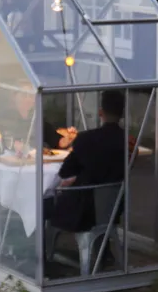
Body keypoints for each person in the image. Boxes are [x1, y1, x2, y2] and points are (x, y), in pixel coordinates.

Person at [46, 90, 128, 234]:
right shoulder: (127, 141)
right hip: (114, 208)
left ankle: (44, 244)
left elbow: (65, 171)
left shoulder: (86, 139)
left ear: (101, 112)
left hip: (84, 210)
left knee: (47, 201)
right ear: (122, 113)